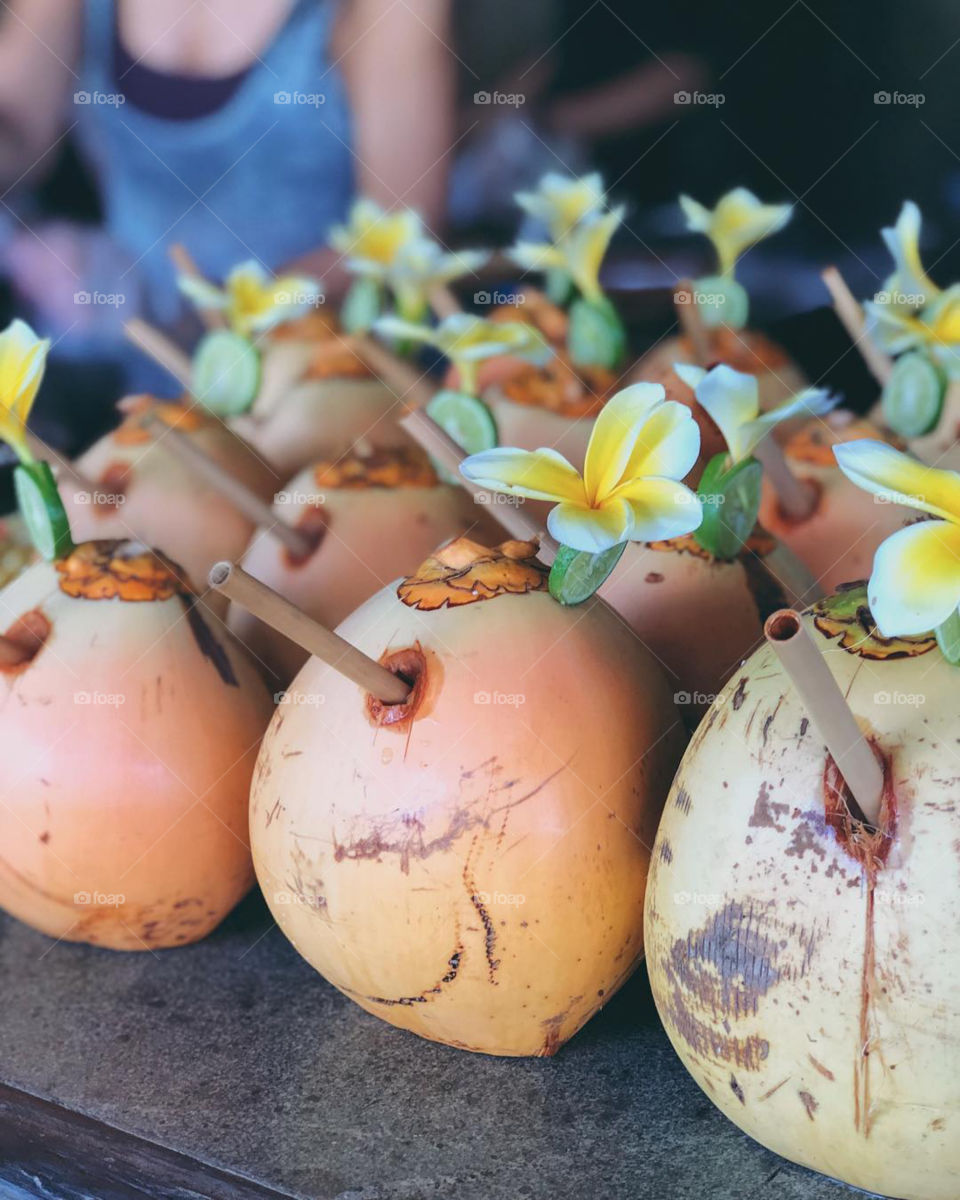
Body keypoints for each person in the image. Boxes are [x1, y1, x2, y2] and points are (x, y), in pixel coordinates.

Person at [0, 0, 453, 359]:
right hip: (152, 383)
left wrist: (184, 315)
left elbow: (404, 238)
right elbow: (18, 124)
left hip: (328, 378)